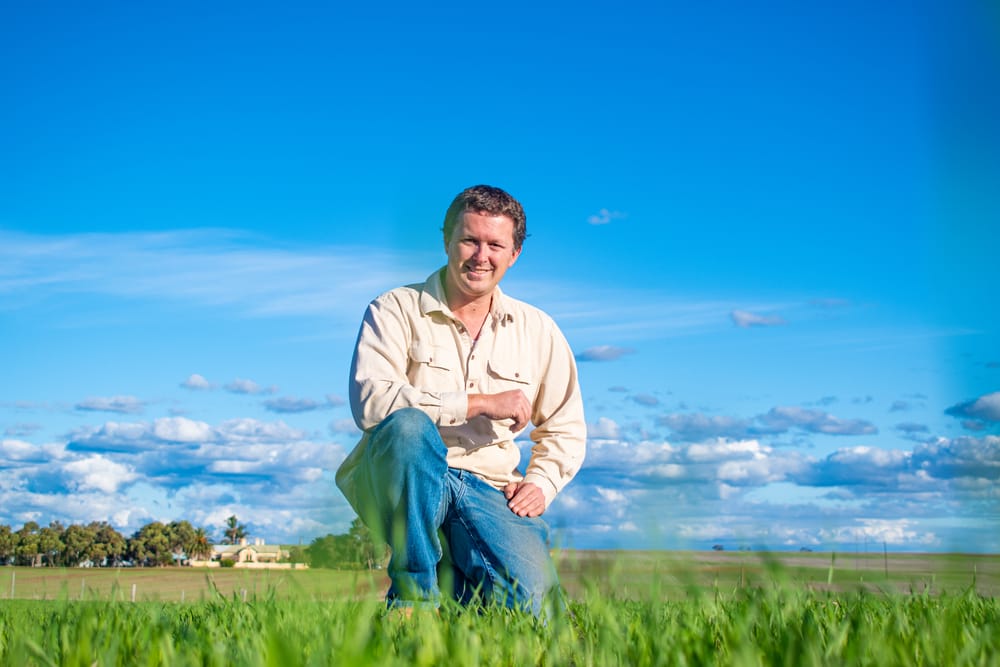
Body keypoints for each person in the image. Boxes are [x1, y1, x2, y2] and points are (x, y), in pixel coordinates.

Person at [336, 184, 586, 616]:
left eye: (495, 245)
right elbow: (371, 402)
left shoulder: (538, 329)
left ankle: (458, 588)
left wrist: (541, 483)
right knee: (410, 428)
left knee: (535, 613)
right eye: (469, 240)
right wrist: (478, 403)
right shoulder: (394, 308)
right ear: (447, 240)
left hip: (486, 485)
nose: (480, 256)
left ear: (515, 253)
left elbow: (565, 426)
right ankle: (413, 600)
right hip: (404, 476)